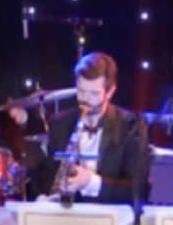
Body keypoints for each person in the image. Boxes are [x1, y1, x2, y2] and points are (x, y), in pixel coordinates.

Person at [37, 51, 149, 203]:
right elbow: (47, 176)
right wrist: (44, 195)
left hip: (111, 214)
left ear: (110, 92)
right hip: (69, 212)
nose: (85, 100)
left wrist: (91, 182)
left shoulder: (132, 125)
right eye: (81, 91)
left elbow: (138, 189)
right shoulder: (60, 123)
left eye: (94, 93)